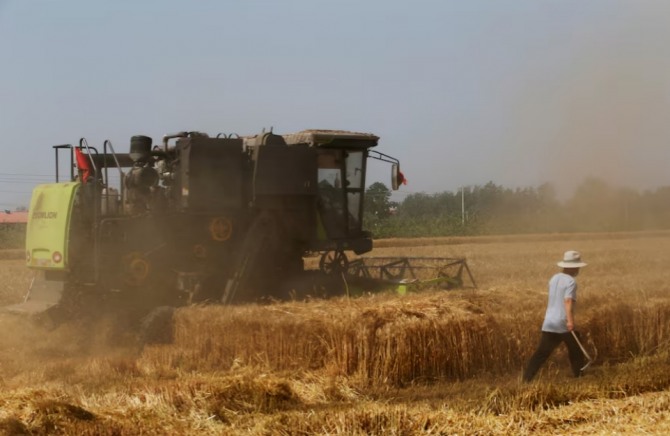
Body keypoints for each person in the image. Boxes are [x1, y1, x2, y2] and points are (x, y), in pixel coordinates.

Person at [523, 250, 588, 382]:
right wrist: (570, 322)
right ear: (574, 267)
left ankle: (526, 379)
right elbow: (568, 301)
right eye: (578, 267)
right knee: (576, 351)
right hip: (562, 323)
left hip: (549, 321)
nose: (578, 270)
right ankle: (579, 377)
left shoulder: (554, 278)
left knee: (541, 353)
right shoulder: (571, 282)